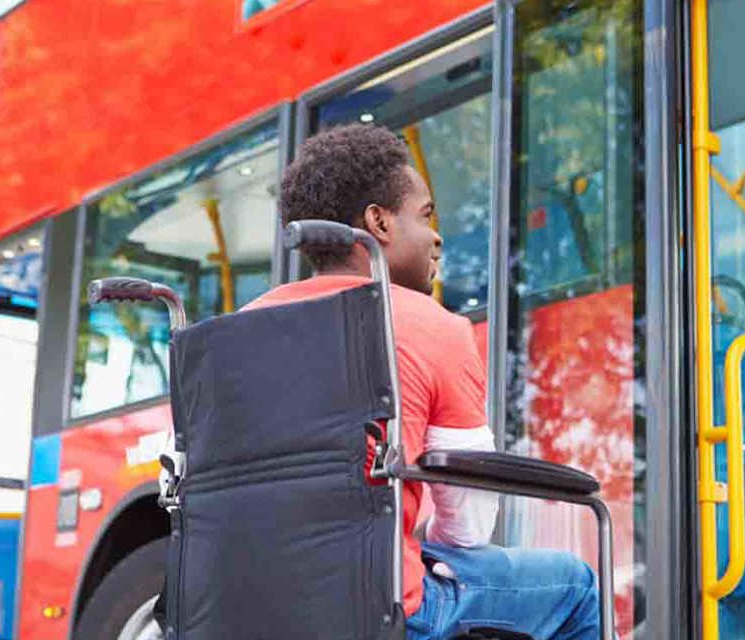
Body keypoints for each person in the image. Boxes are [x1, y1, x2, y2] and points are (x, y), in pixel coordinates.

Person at [244, 124, 601, 639]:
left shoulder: (239, 330)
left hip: (245, 613)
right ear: (379, 222)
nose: (436, 237)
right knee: (576, 585)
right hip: (385, 612)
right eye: (425, 215)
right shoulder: (431, 323)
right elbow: (469, 529)